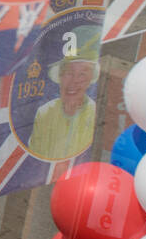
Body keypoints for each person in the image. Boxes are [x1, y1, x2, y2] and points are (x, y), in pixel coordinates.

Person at [27, 27, 99, 161]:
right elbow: (36, 160)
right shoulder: (45, 112)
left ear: (90, 79)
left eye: (82, 74)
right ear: (59, 76)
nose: (74, 81)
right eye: (69, 73)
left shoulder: (95, 112)